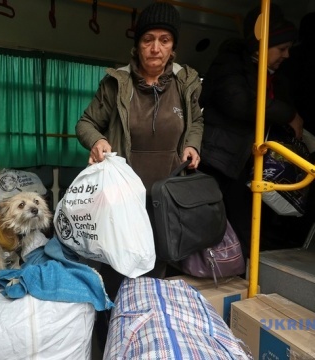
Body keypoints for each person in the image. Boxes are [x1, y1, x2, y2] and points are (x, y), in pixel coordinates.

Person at [75, 2, 204, 297]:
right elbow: (85, 123)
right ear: (138, 45)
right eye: (148, 40)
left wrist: (192, 145)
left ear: (173, 47)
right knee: (115, 265)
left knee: (156, 263)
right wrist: (97, 140)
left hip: (165, 195)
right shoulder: (116, 83)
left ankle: (144, 323)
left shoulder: (185, 83)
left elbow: (196, 120)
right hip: (122, 197)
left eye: (164, 40)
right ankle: (110, 326)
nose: (155, 48)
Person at [197, 4, 309, 255]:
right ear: (262, 45)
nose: (287, 55)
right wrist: (289, 115)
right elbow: (239, 103)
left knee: (250, 229)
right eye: (281, 48)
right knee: (233, 227)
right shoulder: (229, 61)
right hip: (222, 161)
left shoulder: (272, 76)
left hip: (251, 162)